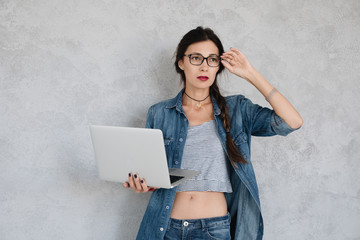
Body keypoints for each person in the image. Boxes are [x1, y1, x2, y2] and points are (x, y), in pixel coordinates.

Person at [123, 26, 303, 240]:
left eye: (212, 59)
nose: (204, 67)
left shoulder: (237, 109)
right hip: (165, 228)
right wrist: (144, 184)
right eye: (196, 58)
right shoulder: (160, 113)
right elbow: (155, 174)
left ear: (219, 65)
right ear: (181, 62)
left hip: (213, 229)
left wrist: (250, 74)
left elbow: (291, 122)